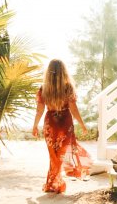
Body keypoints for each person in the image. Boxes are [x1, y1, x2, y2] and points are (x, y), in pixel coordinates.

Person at [32, 59, 92, 193]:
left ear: (48, 72)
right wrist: (82, 124)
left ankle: (53, 183)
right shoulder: (68, 88)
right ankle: (55, 183)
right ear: (63, 71)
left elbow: (39, 110)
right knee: (59, 155)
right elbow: (74, 109)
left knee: (54, 155)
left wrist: (35, 125)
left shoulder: (43, 89)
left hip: (50, 125)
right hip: (65, 124)